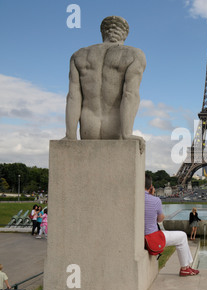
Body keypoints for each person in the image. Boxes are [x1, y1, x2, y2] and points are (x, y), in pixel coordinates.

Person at [62, 16, 146, 154]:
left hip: (88, 128)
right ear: (125, 34)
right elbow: (130, 95)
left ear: (103, 32)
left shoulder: (79, 55)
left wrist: (70, 135)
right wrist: (127, 134)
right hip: (115, 128)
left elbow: (73, 97)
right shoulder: (134, 54)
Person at [144, 174, 199, 276]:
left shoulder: (134, 198)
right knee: (182, 236)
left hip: (142, 238)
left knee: (181, 237)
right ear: (150, 186)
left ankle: (187, 266)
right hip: (151, 238)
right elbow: (160, 218)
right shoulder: (155, 200)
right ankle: (185, 267)